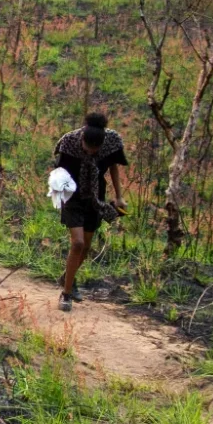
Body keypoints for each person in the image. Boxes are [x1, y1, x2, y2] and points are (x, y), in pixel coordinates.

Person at [53, 112, 128, 312]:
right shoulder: (69, 143)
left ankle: (67, 278)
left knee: (85, 247)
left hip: (95, 198)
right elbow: (58, 173)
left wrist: (119, 196)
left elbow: (113, 167)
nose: (92, 152)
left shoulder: (111, 142)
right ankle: (66, 295)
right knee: (77, 243)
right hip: (72, 197)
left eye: (97, 149)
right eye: (89, 147)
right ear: (82, 139)